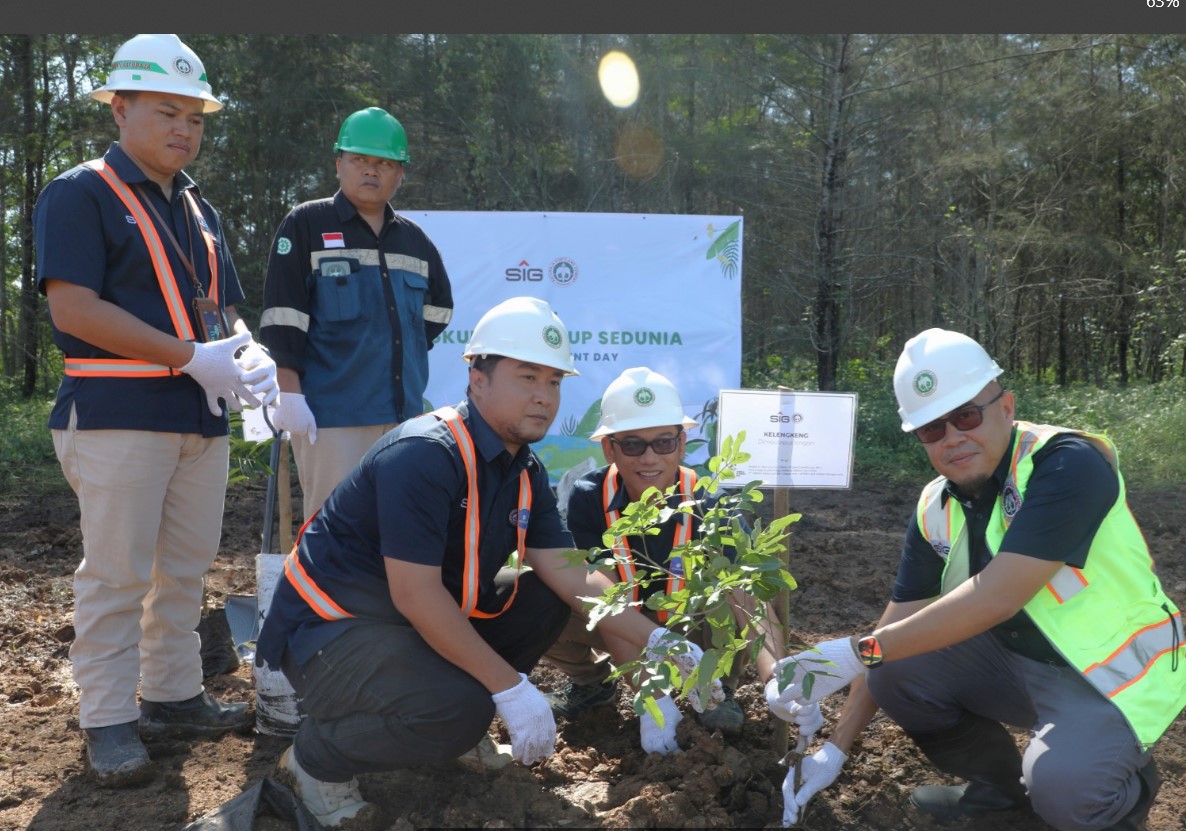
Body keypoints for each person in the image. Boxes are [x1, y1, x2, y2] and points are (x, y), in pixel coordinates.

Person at [255, 298, 720, 830]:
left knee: (544, 595)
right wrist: (509, 688)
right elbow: (416, 594)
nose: (543, 397)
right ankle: (315, 762)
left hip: (397, 627)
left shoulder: (523, 466)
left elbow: (570, 570)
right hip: (329, 635)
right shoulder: (424, 455)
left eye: (553, 382)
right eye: (527, 377)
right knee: (462, 711)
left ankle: (448, 717)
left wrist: (655, 639)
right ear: (477, 377)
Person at [765, 328, 1186, 830]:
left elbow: (997, 596)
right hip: (1021, 664)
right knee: (895, 671)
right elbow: (897, 622)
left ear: (1005, 406)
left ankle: (1122, 795)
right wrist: (835, 748)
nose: (952, 437)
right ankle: (1001, 794)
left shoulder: (1067, 464)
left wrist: (856, 654)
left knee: (1067, 789)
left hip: (1114, 674)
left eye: (966, 415)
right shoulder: (935, 503)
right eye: (931, 429)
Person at [33, 34, 279, 787]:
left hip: (196, 417)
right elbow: (73, 307)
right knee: (115, 574)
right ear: (120, 106)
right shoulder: (79, 193)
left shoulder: (199, 207)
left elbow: (220, 307)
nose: (184, 129)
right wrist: (186, 356)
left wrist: (248, 350)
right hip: (117, 411)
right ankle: (108, 718)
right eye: (167, 112)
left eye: (195, 118)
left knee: (184, 569)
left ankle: (172, 695)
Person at [544, 366, 786, 744]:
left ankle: (715, 685)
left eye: (663, 442)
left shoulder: (711, 501)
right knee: (533, 592)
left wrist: (776, 674)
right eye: (633, 444)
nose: (649, 457)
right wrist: (651, 700)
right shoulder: (590, 498)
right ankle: (592, 685)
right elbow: (606, 600)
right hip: (628, 624)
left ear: (682, 443)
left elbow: (747, 596)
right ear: (608, 447)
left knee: (736, 585)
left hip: (694, 629)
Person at [260, 106, 453, 522]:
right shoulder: (307, 224)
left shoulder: (415, 241)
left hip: (403, 418)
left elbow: (437, 312)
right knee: (334, 532)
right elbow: (283, 316)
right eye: (360, 160)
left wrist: (398, 348)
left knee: (398, 530)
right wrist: (289, 393)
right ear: (338, 165)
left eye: (384, 163)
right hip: (332, 419)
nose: (372, 171)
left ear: (400, 173)